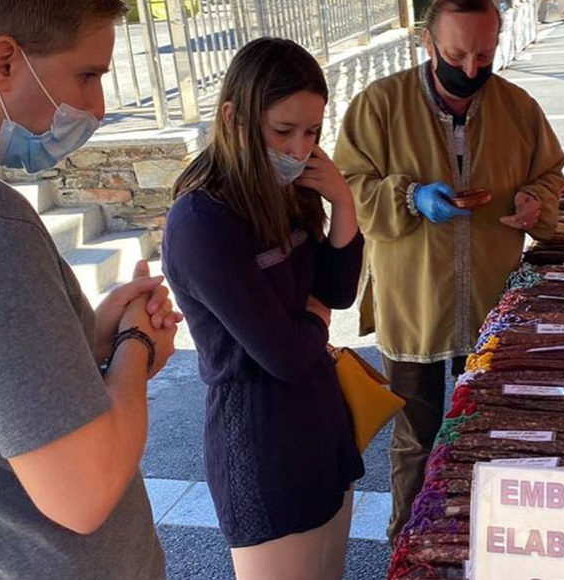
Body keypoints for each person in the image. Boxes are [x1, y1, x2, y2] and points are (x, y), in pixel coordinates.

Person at [0, 1, 182, 578]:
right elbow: (84, 490)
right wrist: (135, 345)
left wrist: (82, 341)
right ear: (4, 63)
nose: (97, 108)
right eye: (87, 75)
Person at [334, 0, 564, 542]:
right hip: (412, 299)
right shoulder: (379, 104)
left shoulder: (518, 108)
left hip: (491, 298)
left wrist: (535, 200)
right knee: (415, 437)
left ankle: (480, 542)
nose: (470, 68)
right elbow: (347, 187)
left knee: (489, 427)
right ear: (427, 42)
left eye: (484, 54)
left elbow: (551, 172)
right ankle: (408, 542)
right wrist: (409, 196)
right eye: (457, 54)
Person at [162, 38, 364, 580]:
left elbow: (337, 291)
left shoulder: (293, 187)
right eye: (283, 131)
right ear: (234, 117)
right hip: (262, 443)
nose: (299, 149)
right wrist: (316, 319)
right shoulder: (201, 220)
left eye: (312, 132)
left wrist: (343, 202)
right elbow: (284, 355)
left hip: (322, 423)